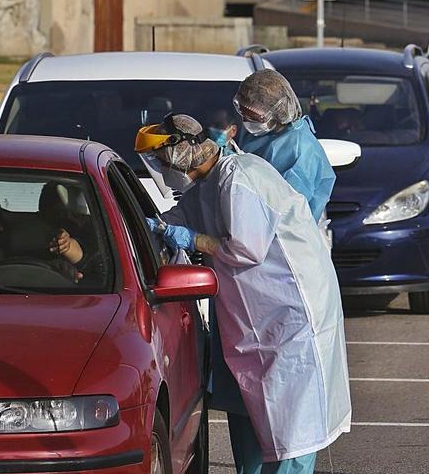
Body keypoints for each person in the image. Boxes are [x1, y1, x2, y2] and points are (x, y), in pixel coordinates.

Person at [137, 114, 351, 474]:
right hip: (257, 322)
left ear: (182, 153)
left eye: (160, 161)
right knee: (258, 421)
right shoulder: (208, 184)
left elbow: (246, 248)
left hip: (292, 321)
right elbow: (179, 217)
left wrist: (190, 240)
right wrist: (151, 229)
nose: (160, 168)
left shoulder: (241, 178)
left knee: (292, 432)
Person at [234, 69, 335, 223]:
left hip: (283, 236)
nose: (246, 121)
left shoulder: (300, 149)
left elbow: (286, 211)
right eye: (243, 114)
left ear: (277, 111)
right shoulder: (258, 131)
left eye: (253, 117)